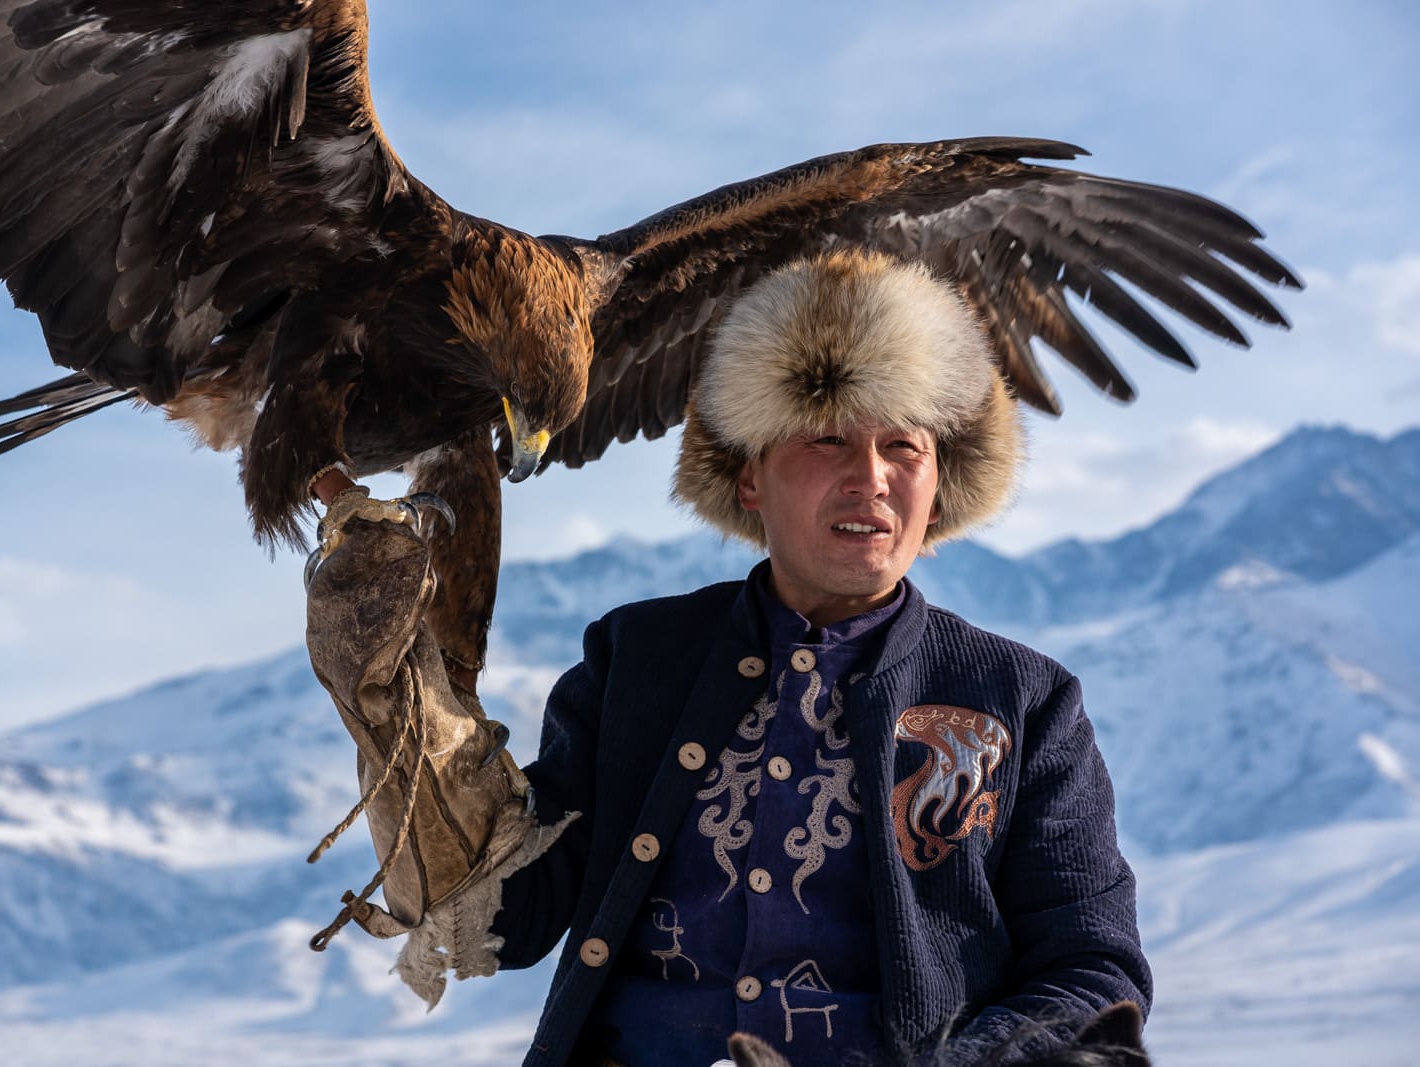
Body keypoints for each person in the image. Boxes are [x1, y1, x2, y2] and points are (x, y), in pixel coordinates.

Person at [486, 250, 1152, 1067]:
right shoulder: (634, 658)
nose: (868, 478)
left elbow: (1092, 964)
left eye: (902, 446)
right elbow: (504, 918)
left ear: (938, 485)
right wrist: (407, 724)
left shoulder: (1024, 700)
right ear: (749, 476)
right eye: (827, 438)